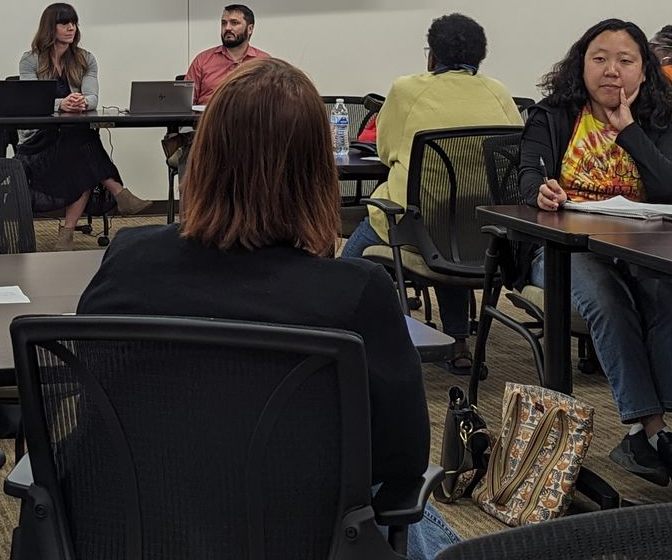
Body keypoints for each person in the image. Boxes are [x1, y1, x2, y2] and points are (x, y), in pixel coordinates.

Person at [77, 58, 458, 559]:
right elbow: (401, 459)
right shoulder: (356, 292)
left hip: (141, 526)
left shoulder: (128, 260)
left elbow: (93, 414)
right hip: (300, 534)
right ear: (317, 170)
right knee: (423, 520)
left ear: (204, 156)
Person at [516, 19, 672, 487]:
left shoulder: (654, 121)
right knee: (606, 298)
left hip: (638, 247)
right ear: (581, 64)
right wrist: (543, 192)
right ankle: (653, 429)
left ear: (643, 72)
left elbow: (670, 188)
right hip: (562, 248)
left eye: (625, 60)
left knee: (668, 293)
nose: (611, 70)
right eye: (600, 59)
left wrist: (629, 129)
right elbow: (527, 177)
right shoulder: (553, 115)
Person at [338, 13, 522, 374]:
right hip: (481, 232)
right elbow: (514, 155)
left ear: (432, 56)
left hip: (413, 225)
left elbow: (388, 149)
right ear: (480, 56)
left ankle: (338, 335)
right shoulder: (498, 92)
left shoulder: (407, 89)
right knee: (449, 220)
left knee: (347, 264)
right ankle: (458, 344)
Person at [17, 2, 149, 248]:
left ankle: (67, 236)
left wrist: (80, 101)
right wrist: (61, 104)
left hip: (72, 140)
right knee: (83, 147)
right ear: (50, 27)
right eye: (64, 23)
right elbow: (31, 100)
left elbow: (93, 98)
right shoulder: (31, 60)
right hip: (39, 142)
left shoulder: (85, 59)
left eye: (74, 23)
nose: (71, 28)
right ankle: (119, 192)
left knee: (79, 147)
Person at [184, 4, 270, 104]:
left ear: (250, 29)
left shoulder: (264, 62)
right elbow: (184, 104)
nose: (227, 28)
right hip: (209, 118)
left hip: (249, 118)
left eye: (234, 23)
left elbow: (271, 103)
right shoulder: (203, 60)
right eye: (224, 23)